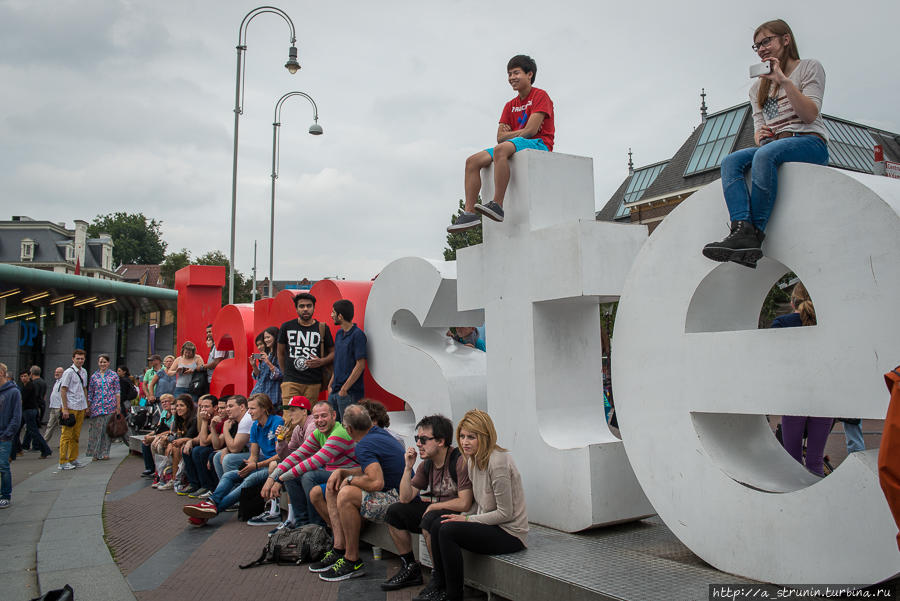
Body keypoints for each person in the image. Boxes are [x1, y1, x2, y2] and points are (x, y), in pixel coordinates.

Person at [702, 19, 829, 269]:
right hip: (774, 146)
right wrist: (762, 134)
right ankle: (741, 228)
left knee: (764, 155)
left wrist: (783, 81)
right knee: (730, 161)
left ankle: (755, 235)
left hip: (809, 143)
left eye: (765, 41)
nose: (761, 49)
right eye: (756, 46)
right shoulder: (756, 90)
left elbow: (810, 115)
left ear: (786, 39)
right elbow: (759, 131)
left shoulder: (809, 68)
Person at [415, 409, 527, 601]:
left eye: (471, 437)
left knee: (448, 530)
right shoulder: (472, 459)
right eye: (462, 436)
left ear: (484, 437)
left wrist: (467, 519)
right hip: (489, 524)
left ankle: (453, 595)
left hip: (510, 533)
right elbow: (479, 503)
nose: (465, 442)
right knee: (436, 522)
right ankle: (440, 585)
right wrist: (463, 517)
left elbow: (505, 514)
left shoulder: (498, 462)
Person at [447, 54, 554, 233]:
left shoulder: (540, 96)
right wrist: (515, 134)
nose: (512, 78)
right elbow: (499, 136)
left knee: (501, 149)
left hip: (539, 143)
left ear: (530, 74)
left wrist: (510, 134)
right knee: (472, 161)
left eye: (516, 73)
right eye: (509, 74)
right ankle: (469, 213)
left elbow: (531, 131)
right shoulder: (509, 105)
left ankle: (497, 204)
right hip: (515, 144)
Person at [310, 404, 405, 582]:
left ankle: (351, 559)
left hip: (399, 498)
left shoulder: (364, 445)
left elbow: (376, 482)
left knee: (346, 493)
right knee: (333, 486)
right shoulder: (376, 434)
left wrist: (351, 480)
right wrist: (343, 472)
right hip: (394, 491)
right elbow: (370, 469)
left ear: (349, 429)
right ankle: (339, 548)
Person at [381, 415, 473, 592]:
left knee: (430, 518)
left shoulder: (459, 461)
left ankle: (439, 576)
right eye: (417, 439)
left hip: (460, 515)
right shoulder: (426, 465)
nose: (418, 444)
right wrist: (408, 467)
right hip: (439, 511)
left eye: (423, 439)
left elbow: (465, 503)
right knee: (394, 511)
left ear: (440, 441)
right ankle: (410, 567)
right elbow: (405, 498)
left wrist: (433, 506)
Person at [182, 393, 284, 523]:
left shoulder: (277, 421)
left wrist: (256, 466)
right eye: (249, 408)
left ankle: (211, 511)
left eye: (252, 408)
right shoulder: (255, 426)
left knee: (249, 479)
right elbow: (253, 455)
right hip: (261, 463)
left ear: (264, 408)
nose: (249, 412)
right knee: (229, 475)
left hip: (275, 465)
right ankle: (211, 502)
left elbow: (280, 455)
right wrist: (249, 465)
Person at [262, 400, 357, 531]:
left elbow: (313, 461)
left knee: (309, 476)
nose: (319, 420)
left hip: (349, 474)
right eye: (316, 417)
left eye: (324, 416)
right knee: (293, 475)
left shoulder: (339, 432)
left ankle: (317, 528)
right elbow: (295, 456)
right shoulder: (315, 432)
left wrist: (279, 479)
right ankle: (302, 526)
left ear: (334, 415)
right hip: (330, 473)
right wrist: (272, 477)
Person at [772, 283, 831, 476]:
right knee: (815, 462)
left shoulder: (781, 323)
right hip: (825, 397)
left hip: (793, 395)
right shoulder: (827, 324)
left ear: (792, 302)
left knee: (792, 462)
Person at [247, 394, 317, 527]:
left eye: (293, 410)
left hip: (322, 467)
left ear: (304, 411)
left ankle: (302, 522)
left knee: (296, 476)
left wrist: (277, 478)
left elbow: (305, 456)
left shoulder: (311, 426)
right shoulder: (297, 428)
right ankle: (294, 520)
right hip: (308, 465)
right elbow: (287, 455)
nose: (289, 414)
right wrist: (281, 441)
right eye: (288, 410)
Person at [278, 292, 334, 402]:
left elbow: (333, 352)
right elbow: (280, 353)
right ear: (296, 309)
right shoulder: (287, 327)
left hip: (313, 382)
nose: (305, 309)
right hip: (291, 381)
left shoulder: (322, 328)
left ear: (313, 308)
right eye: (301, 306)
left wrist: (322, 361)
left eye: (309, 306)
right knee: (290, 416)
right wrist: (286, 375)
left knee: (309, 417)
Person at [328, 299, 367, 420]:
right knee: (334, 427)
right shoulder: (339, 334)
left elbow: (360, 365)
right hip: (335, 390)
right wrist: (330, 384)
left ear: (340, 315)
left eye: (333, 312)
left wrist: (344, 389)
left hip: (349, 393)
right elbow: (338, 361)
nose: (331, 315)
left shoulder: (358, 335)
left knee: (348, 429)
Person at [154, 395, 198, 492]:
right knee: (159, 444)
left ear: (188, 407)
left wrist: (174, 442)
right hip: (182, 442)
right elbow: (176, 434)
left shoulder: (194, 419)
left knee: (176, 448)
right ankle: (162, 476)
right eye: (177, 406)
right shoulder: (179, 418)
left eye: (181, 406)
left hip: (193, 443)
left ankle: (175, 479)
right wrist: (170, 441)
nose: (178, 408)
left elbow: (189, 436)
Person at [180, 394, 220, 497]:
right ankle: (194, 484)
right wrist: (190, 442)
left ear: (215, 407)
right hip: (209, 446)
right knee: (187, 449)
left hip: (219, 448)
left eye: (206, 407)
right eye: (201, 407)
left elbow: (204, 442)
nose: (203, 409)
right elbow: (199, 437)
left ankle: (207, 486)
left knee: (199, 451)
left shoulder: (217, 419)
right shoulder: (206, 417)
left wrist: (205, 421)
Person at [85, 354, 121, 462]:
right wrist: (88, 406)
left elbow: (117, 391)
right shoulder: (94, 376)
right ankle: (95, 453)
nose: (103, 364)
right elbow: (90, 392)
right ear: (98, 363)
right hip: (96, 407)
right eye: (101, 362)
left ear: (108, 363)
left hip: (110, 406)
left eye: (105, 362)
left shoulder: (114, 375)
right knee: (96, 431)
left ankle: (105, 452)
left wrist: (118, 406)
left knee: (107, 430)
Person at [59, 349, 90, 470]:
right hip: (71, 407)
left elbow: (84, 388)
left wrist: (86, 405)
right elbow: (63, 389)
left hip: (81, 406)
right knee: (66, 435)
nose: (80, 360)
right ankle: (62, 461)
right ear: (73, 359)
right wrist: (65, 409)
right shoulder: (68, 372)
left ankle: (73, 459)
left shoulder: (84, 372)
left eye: (82, 358)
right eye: (78, 358)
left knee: (76, 435)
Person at [210, 395, 253, 480]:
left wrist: (225, 428)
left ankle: (232, 489)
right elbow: (216, 446)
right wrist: (212, 427)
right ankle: (225, 487)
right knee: (217, 456)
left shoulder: (246, 419)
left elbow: (234, 449)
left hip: (261, 456)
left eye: (230, 406)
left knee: (228, 459)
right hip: (251, 453)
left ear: (242, 407)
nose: (227, 409)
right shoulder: (237, 420)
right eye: (226, 407)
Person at [0, 362, 23, 508]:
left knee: (3, 466)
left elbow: (16, 416)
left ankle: (5, 495)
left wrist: (7, 434)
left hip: (4, 436)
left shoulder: (13, 392)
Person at [140, 394, 175, 478]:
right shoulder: (164, 412)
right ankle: (151, 468)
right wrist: (149, 434)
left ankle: (162, 470)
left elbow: (171, 431)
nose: (164, 404)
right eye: (162, 402)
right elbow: (158, 427)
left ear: (172, 402)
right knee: (145, 442)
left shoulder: (174, 413)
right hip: (160, 434)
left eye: (166, 402)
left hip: (168, 435)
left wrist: (155, 436)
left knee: (156, 444)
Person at [20, 369, 52, 459]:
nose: (23, 378)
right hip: (31, 409)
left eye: (25, 376)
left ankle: (45, 449)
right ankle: (19, 448)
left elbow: (23, 400)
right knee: (27, 430)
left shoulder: (29, 386)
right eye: (22, 376)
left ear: (30, 375)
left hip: (30, 410)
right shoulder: (30, 385)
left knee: (33, 431)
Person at [251, 326, 283, 405]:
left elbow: (279, 375)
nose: (266, 340)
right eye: (265, 338)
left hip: (271, 399)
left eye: (268, 337)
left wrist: (268, 362)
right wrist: (254, 365)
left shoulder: (280, 355)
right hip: (258, 396)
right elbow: (259, 377)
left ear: (275, 337)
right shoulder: (266, 355)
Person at [43, 367, 65, 443]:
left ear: (63, 373)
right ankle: (44, 442)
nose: (56, 373)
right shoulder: (57, 382)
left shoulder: (63, 382)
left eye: (58, 372)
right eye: (56, 372)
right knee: (50, 425)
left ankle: (64, 442)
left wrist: (63, 406)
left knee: (62, 426)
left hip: (59, 407)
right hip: (53, 407)